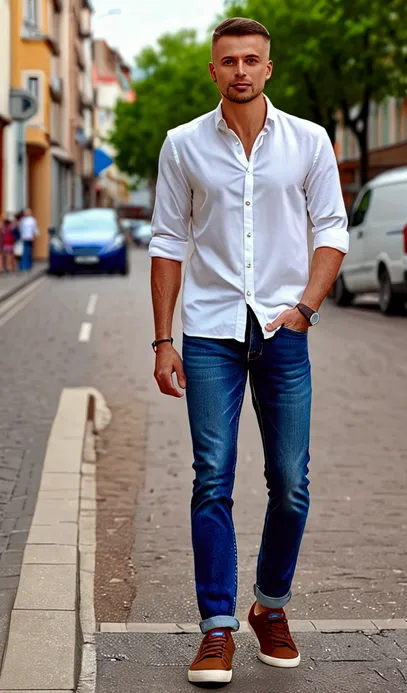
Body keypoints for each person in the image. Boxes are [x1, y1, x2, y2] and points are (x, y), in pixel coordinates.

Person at [149, 17, 349, 685]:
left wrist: (306, 306)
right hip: (209, 335)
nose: (239, 69)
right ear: (213, 70)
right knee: (213, 477)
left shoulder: (309, 141)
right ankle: (216, 627)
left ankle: (270, 606)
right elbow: (167, 243)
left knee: (291, 483)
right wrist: (162, 339)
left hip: (282, 331)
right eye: (228, 60)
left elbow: (332, 227)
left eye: (251, 60)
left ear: (269, 68)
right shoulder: (181, 146)